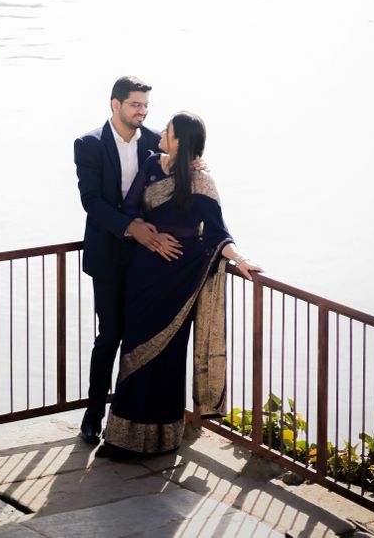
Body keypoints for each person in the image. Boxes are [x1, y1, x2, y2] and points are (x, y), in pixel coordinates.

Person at [96, 111, 261, 460]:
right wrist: (148, 233)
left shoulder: (201, 182)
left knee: (169, 357)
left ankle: (161, 441)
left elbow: (218, 233)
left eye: (168, 130)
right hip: (144, 275)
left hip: (179, 281)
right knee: (134, 351)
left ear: (180, 139)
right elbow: (130, 207)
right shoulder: (153, 164)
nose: (161, 131)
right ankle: (123, 439)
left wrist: (239, 260)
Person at [73, 75, 184, 446]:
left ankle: (132, 419)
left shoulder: (155, 140)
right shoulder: (88, 144)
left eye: (146, 106)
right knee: (110, 337)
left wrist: (193, 167)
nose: (142, 111)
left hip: (147, 258)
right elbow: (91, 200)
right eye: (136, 104)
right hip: (107, 255)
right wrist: (128, 227)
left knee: (142, 337)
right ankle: (93, 415)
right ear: (115, 104)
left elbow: (177, 173)